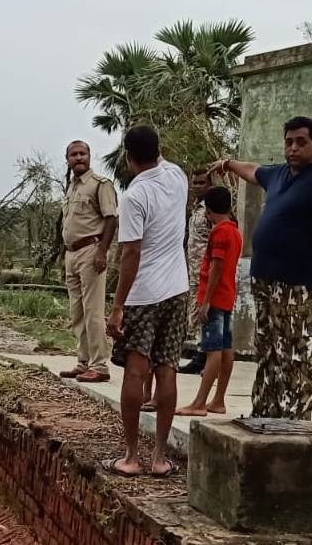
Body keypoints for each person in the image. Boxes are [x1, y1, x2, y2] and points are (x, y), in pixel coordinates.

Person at [210, 116, 312, 420]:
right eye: (289, 142)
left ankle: (294, 421)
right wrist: (229, 163)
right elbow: (253, 171)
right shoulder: (279, 174)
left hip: (295, 282)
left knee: (295, 353)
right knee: (269, 350)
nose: (293, 148)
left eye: (301, 142)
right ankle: (266, 413)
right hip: (264, 279)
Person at [103, 125, 188, 477]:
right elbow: (162, 160)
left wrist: (118, 305)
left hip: (143, 294)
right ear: (159, 150)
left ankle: (131, 456)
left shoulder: (134, 196)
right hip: (177, 289)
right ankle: (160, 458)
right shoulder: (177, 176)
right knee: (167, 368)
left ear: (128, 157)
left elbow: (131, 253)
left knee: (136, 372)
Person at [176, 186, 242, 416]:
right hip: (227, 297)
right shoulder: (234, 231)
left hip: (214, 298)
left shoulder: (219, 232)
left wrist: (205, 302)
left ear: (209, 210)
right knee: (225, 348)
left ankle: (200, 402)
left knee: (212, 349)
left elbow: (217, 266)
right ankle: (218, 400)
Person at [59, 140, 117, 383]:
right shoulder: (72, 188)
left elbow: (111, 219)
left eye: (82, 153)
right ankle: (83, 361)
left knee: (93, 310)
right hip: (72, 253)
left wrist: (102, 251)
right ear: (68, 160)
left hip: (91, 250)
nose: (79, 158)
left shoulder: (100, 185)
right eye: (74, 154)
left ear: (90, 156)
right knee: (77, 311)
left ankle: (100, 365)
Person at [178, 169, 213, 376]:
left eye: (201, 183)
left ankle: (203, 356)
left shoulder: (213, 208)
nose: (197, 186)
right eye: (195, 183)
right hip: (193, 269)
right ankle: (200, 351)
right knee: (195, 310)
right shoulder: (195, 208)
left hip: (207, 269)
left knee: (204, 312)